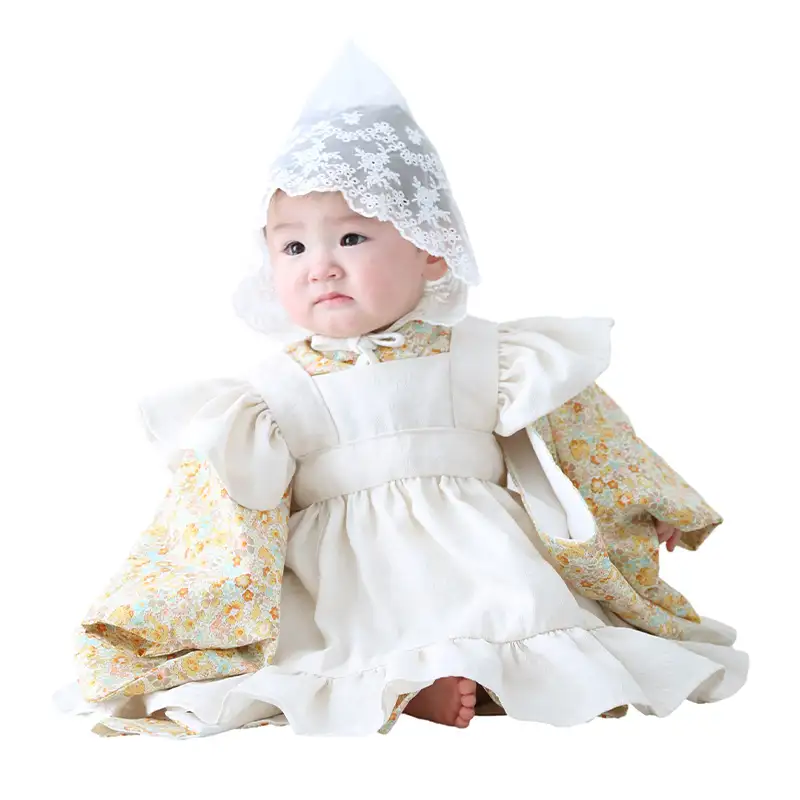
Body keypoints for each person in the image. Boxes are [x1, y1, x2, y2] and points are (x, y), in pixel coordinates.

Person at [53, 41, 748, 739]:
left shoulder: (491, 354)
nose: (321, 266)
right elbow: (219, 505)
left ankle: (501, 675)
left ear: (430, 247)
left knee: (514, 606)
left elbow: (585, 432)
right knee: (344, 633)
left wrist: (646, 502)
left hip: (483, 547)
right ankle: (406, 686)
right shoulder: (270, 395)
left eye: (351, 239)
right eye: (293, 248)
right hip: (349, 573)